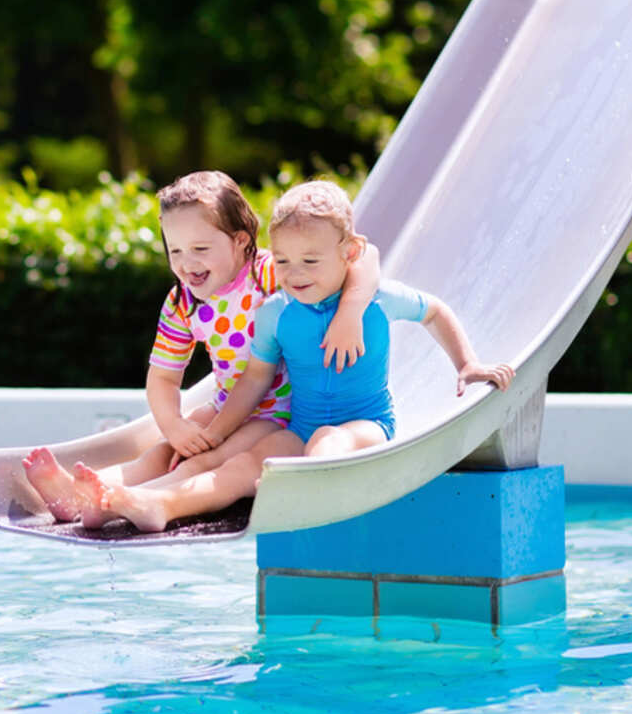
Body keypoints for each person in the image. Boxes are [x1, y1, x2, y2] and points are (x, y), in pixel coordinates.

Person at [87, 179, 514, 532]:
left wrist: (467, 365)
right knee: (239, 465)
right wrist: (217, 431)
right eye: (286, 260)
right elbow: (254, 380)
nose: (293, 273)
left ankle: (309, 499)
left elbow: (435, 311)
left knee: (330, 441)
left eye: (310, 260)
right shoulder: (275, 313)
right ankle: (160, 504)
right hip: (300, 425)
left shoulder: (377, 300)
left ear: (348, 253)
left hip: (365, 423)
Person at [22, 170, 381, 527]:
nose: (186, 262)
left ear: (240, 241)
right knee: (167, 451)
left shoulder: (272, 272)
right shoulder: (182, 302)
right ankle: (82, 495)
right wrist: (175, 426)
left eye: (200, 249)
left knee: (208, 458)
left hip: (277, 412)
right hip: (226, 406)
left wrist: (350, 311)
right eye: (175, 249)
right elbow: (163, 377)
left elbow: (366, 257)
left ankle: (124, 502)